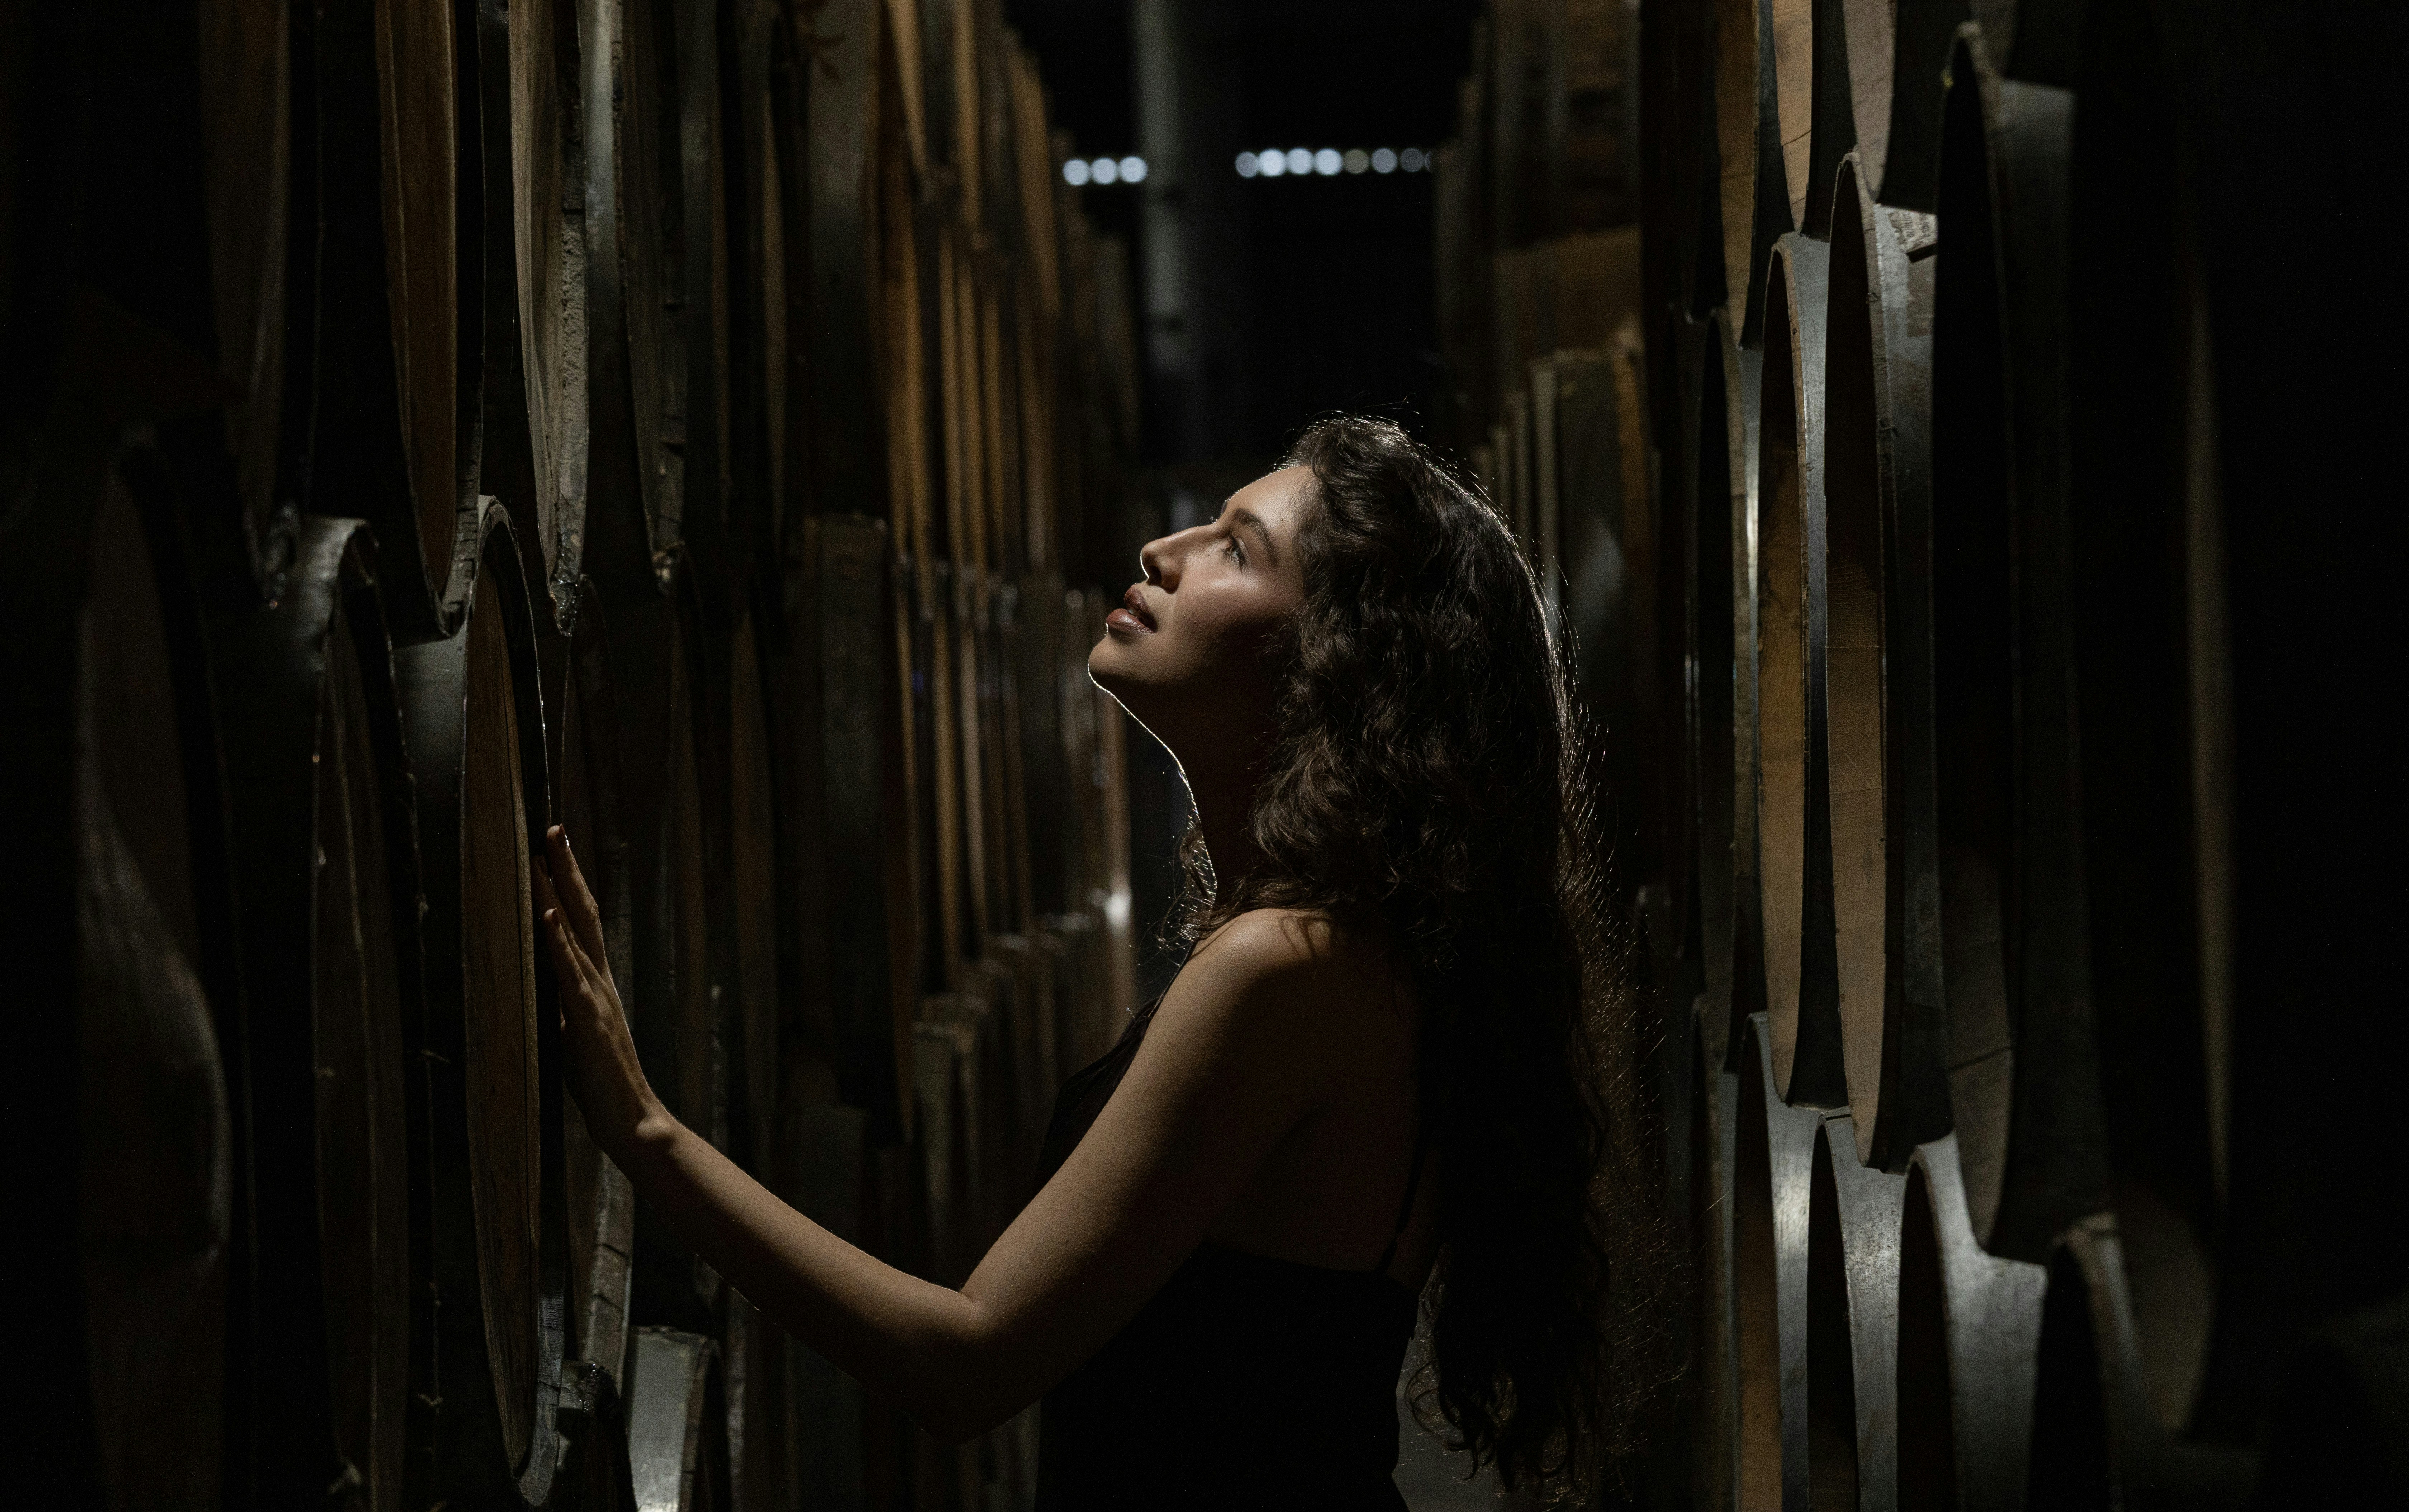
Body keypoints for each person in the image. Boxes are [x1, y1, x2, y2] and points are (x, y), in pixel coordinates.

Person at [537, 416, 1679, 1508]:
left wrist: (644, 1131)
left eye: (1236, 547)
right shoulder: (1344, 951)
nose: (1165, 550)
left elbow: (968, 1361)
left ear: (1337, 665)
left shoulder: (1289, 968)